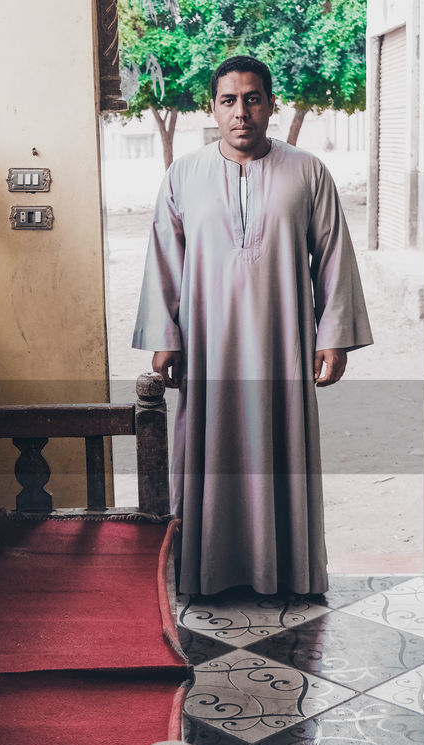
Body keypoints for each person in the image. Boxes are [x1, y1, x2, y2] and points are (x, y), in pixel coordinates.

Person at [131, 55, 373, 597]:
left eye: (253, 99)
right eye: (229, 100)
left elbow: (333, 256)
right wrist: (165, 338)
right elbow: (163, 260)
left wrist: (332, 335)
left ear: (271, 105)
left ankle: (286, 573)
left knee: (281, 444)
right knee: (209, 451)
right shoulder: (184, 175)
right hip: (207, 346)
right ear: (212, 109)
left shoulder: (308, 171)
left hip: (282, 343)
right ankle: (206, 572)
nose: (242, 112)